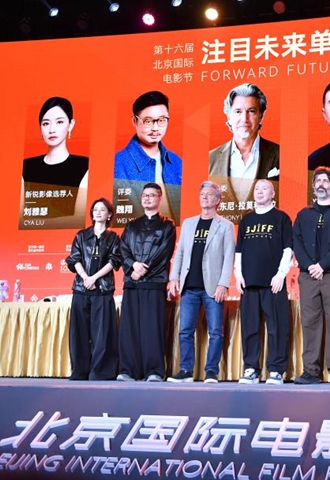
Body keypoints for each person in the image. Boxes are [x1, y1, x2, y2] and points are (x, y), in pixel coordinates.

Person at [167, 181, 235, 383]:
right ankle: (186, 371)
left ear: (217, 200)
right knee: (185, 331)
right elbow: (179, 254)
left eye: (209, 194)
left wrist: (223, 284)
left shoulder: (225, 226)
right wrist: (173, 278)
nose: (204, 197)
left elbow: (228, 256)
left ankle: (211, 371)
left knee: (215, 331)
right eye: (202, 194)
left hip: (213, 287)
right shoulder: (188, 223)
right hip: (189, 287)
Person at [292, 167, 330, 385]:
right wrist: (310, 266)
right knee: (310, 322)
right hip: (308, 276)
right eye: (317, 180)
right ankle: (310, 371)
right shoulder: (304, 214)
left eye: (326, 181)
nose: (321, 184)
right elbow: (296, 242)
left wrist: (322, 265)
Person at [116, 183, 176, 382]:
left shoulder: (167, 225)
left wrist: (143, 268)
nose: (147, 199)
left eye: (152, 195)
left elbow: (164, 252)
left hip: (154, 283)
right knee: (129, 328)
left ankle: (154, 371)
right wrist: (133, 266)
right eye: (145, 196)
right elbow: (123, 249)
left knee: (153, 328)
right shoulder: (131, 226)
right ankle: (128, 370)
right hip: (132, 283)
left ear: (160, 199)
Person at [235, 179, 293, 384]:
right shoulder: (246, 220)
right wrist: (238, 274)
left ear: (273, 194)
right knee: (250, 328)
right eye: (257, 189)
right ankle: (251, 368)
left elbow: (288, 249)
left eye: (264, 189)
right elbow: (239, 250)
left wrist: (280, 274)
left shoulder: (281, 218)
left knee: (277, 327)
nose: (259, 192)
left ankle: (276, 370)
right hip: (249, 283)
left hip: (273, 283)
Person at [65, 198, 121, 380]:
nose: (98, 212)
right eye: (95, 209)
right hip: (81, 289)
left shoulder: (113, 238)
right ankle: (80, 371)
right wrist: (86, 278)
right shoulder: (81, 236)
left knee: (102, 334)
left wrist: (95, 278)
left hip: (102, 290)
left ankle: (100, 372)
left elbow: (114, 261)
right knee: (79, 332)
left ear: (109, 214)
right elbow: (74, 259)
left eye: (102, 210)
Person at [209, 83, 280, 216]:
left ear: (261, 115)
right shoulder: (210, 158)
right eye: (238, 112)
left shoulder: (280, 154)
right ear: (228, 116)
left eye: (251, 111)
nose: (244, 119)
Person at [114, 91, 182, 224]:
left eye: (162, 120)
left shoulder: (177, 162)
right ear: (134, 121)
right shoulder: (116, 164)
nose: (156, 128)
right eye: (148, 121)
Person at [21, 96, 89, 229]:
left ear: (71, 124)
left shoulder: (83, 166)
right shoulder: (27, 166)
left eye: (59, 122)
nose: (52, 129)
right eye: (46, 123)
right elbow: (22, 219)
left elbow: (78, 220)